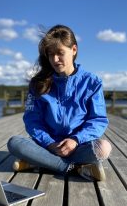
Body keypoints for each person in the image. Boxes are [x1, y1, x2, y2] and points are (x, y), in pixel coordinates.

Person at [7, 24, 112, 181]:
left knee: (103, 148)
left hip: (78, 146)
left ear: (74, 50)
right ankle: (72, 168)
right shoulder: (38, 83)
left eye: (60, 53)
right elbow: (32, 120)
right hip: (47, 146)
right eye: (50, 54)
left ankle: (37, 162)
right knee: (14, 143)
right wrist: (49, 144)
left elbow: (97, 120)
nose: (55, 60)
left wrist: (75, 140)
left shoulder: (92, 82)